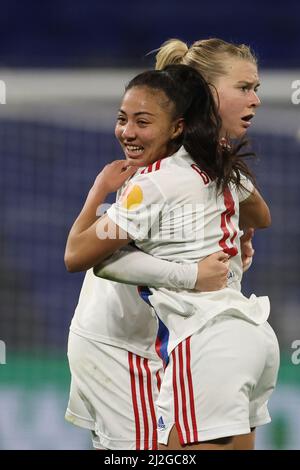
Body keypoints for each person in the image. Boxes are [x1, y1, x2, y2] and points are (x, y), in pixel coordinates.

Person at [65, 63, 279, 451]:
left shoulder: (164, 177)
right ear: (210, 100)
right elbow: (260, 216)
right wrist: (196, 268)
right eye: (244, 87)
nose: (255, 100)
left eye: (141, 121)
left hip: (197, 339)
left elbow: (84, 255)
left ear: (180, 122)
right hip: (239, 332)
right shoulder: (209, 168)